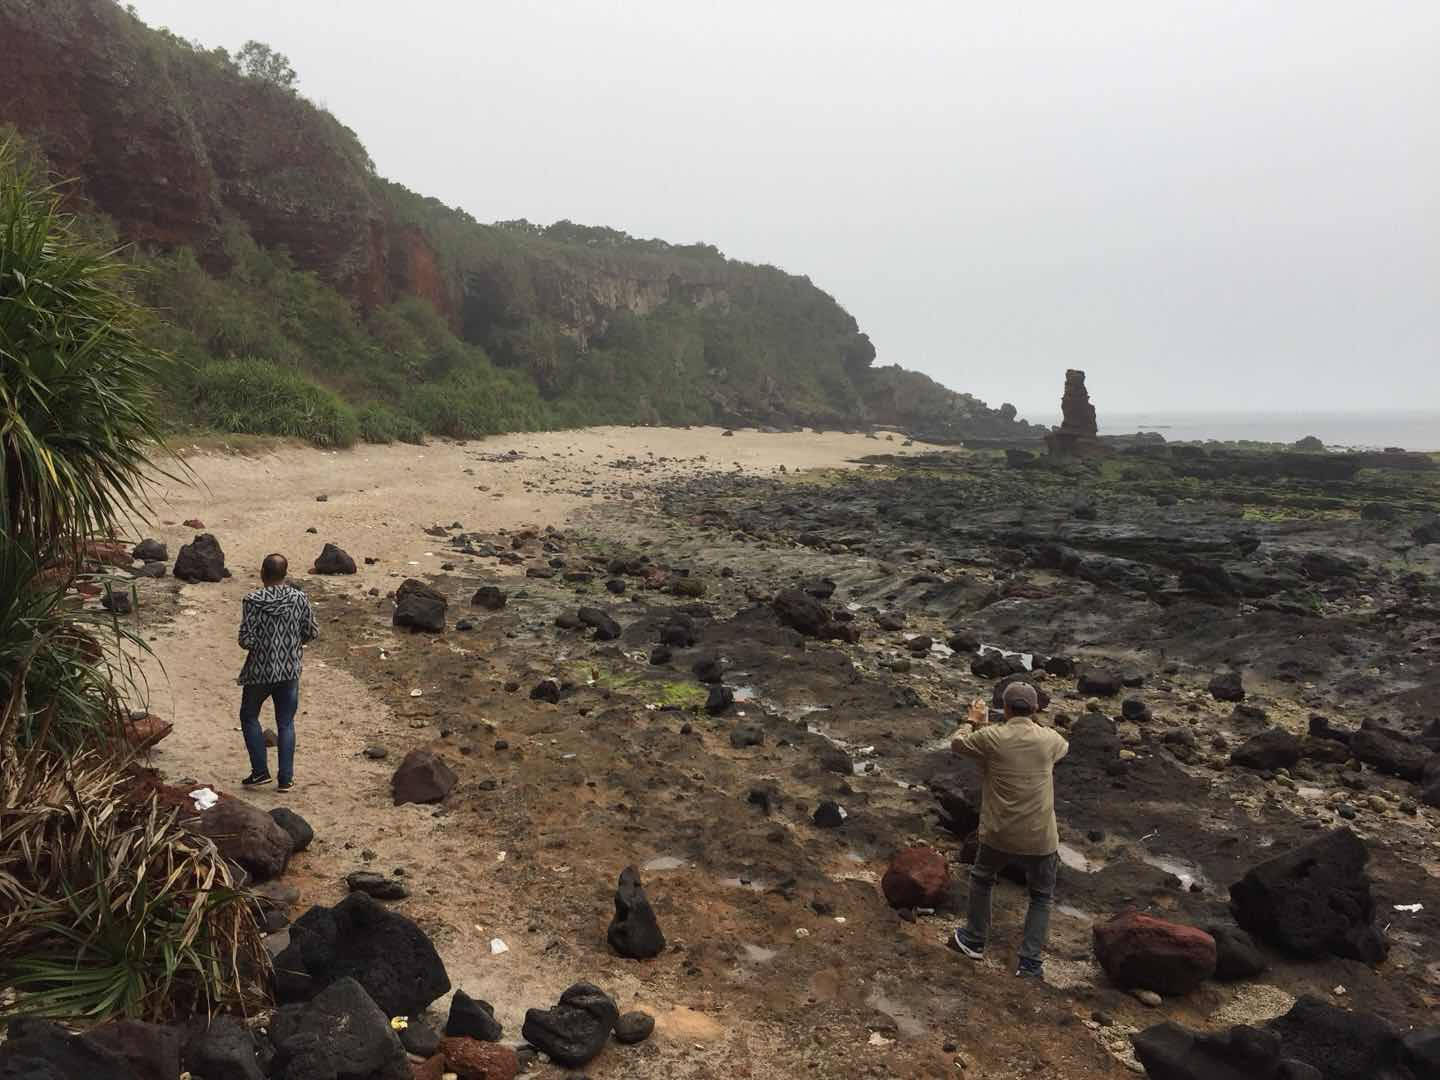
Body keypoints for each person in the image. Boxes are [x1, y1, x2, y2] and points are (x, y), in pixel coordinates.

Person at [948, 681, 1069, 979]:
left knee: (982, 878)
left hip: (1000, 833)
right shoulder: (1050, 740)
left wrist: (972, 720)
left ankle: (975, 939)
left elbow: (959, 743)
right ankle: (1029, 963)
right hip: (1040, 836)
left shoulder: (992, 737)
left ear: (1004, 707)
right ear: (1036, 709)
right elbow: (1060, 747)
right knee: (1041, 896)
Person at [236, 553, 318, 791]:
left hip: (260, 670)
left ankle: (260, 772)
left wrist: (265, 644)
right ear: (285, 573)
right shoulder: (299, 598)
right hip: (290, 669)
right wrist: (291, 643)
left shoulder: (252, 600)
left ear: (263, 572)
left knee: (249, 716)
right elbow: (312, 631)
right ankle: (286, 779)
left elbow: (246, 640)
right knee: (286, 723)